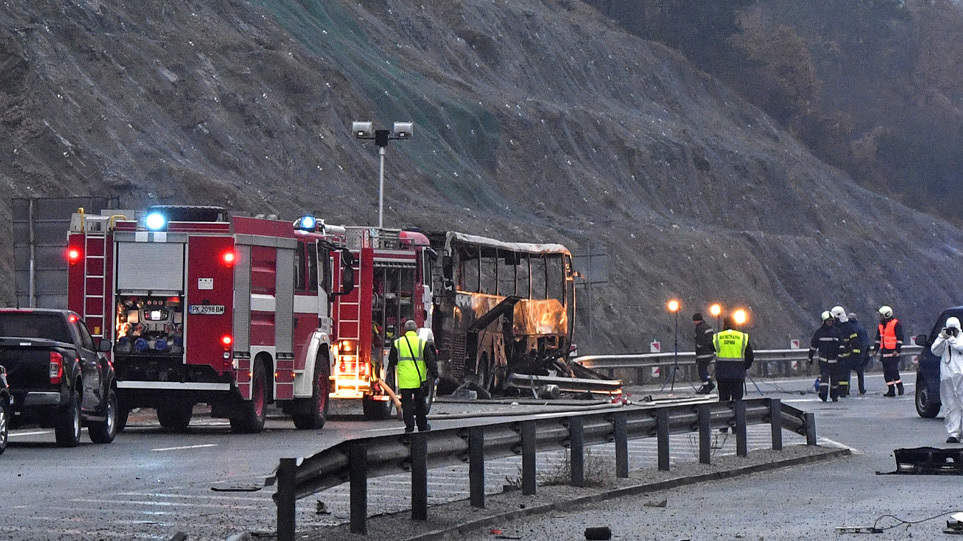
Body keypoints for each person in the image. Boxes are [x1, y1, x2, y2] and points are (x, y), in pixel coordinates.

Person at [387, 319, 438, 433]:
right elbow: (430, 361)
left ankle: (409, 427)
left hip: (405, 380)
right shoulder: (422, 343)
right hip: (419, 380)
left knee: (407, 405)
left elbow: (392, 361)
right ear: (415, 330)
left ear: (404, 331)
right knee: (420, 405)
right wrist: (435, 375)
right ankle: (422, 427)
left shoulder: (398, 343)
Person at [931, 317, 963, 443]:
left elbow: (961, 347)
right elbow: (935, 350)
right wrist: (941, 337)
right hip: (947, 378)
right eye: (950, 329)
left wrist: (951, 339)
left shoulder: (960, 339)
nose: (952, 332)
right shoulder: (944, 340)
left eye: (953, 329)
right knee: (950, 405)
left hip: (961, 376)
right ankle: (954, 433)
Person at [712, 316, 754, 402]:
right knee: (737, 401)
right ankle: (738, 415)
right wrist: (745, 367)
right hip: (737, 374)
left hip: (722, 373)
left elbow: (711, 347)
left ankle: (724, 415)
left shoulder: (718, 337)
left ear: (724, 324)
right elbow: (750, 355)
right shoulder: (742, 337)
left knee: (723, 400)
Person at [808, 311, 842, 402]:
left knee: (834, 379)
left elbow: (841, 345)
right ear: (824, 322)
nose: (830, 323)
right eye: (828, 321)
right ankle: (823, 394)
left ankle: (834, 395)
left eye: (831, 321)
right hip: (823, 360)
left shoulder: (837, 332)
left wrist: (840, 356)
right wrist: (810, 356)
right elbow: (814, 345)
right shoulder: (819, 332)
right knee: (824, 378)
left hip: (834, 360)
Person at [873, 305, 905, 397]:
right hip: (884, 352)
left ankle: (900, 386)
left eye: (881, 315)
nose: (880, 317)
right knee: (886, 373)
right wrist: (875, 349)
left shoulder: (896, 324)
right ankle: (891, 390)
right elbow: (878, 339)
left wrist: (897, 350)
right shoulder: (881, 326)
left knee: (894, 371)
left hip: (893, 353)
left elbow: (900, 338)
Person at [830, 306, 859, 397]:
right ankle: (838, 389)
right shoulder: (834, 327)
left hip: (845, 355)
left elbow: (854, 340)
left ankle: (844, 391)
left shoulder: (847, 326)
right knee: (836, 374)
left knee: (844, 375)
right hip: (835, 355)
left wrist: (854, 353)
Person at [692, 313, 716, 394]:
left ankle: (706, 386)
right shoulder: (708, 327)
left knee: (701, 370)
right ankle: (710, 383)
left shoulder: (700, 328)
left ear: (696, 321)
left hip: (703, 353)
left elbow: (700, 341)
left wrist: (698, 348)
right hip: (710, 352)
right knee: (704, 369)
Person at [848, 312, 871, 395]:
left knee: (847, 371)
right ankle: (861, 389)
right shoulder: (861, 328)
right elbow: (865, 341)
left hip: (850, 353)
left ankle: (846, 389)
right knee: (860, 372)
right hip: (861, 352)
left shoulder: (848, 328)